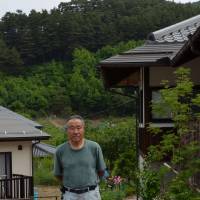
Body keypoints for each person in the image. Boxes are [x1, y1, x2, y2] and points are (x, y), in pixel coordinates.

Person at [54, 115, 107, 200]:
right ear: (67, 130)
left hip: (91, 194)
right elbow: (58, 174)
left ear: (83, 129)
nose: (75, 131)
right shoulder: (60, 150)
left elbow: (101, 171)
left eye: (79, 128)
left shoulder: (94, 147)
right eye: (71, 128)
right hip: (69, 195)